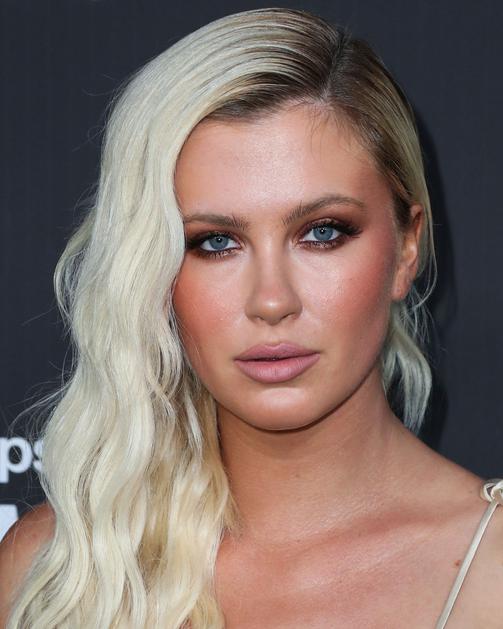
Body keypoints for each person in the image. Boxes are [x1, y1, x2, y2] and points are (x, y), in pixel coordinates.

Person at [0, 7, 502, 628]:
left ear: (406, 248)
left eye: (322, 232)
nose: (271, 300)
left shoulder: (493, 568)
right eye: (215, 242)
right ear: (151, 269)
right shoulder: (55, 571)